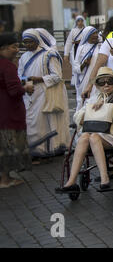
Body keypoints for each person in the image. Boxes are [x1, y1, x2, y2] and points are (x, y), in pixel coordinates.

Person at [56, 67, 113, 193]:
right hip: (94, 135)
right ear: (97, 85)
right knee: (84, 137)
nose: (106, 85)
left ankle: (105, 180)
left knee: (93, 137)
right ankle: (71, 181)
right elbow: (78, 116)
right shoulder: (94, 98)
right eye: (101, 82)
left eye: (109, 81)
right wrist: (88, 113)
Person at [18, 29, 70, 158]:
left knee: (49, 122)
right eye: (25, 42)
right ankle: (37, 150)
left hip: (47, 93)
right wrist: (25, 85)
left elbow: (57, 76)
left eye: (30, 41)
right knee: (32, 121)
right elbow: (20, 75)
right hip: (30, 94)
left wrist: (38, 79)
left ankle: (53, 148)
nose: (28, 45)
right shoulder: (24, 57)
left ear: (37, 41)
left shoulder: (49, 54)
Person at [0, 33, 34, 188]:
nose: (17, 50)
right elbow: (14, 91)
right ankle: (5, 180)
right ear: (3, 49)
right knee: (7, 147)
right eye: (13, 46)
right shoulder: (7, 66)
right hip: (8, 113)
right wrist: (26, 87)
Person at [73, 26, 101, 111]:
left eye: (96, 33)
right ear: (87, 35)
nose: (95, 35)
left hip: (97, 79)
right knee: (83, 100)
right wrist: (84, 64)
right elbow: (75, 66)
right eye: (93, 33)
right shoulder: (81, 48)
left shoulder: (100, 46)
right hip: (84, 80)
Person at [64, 15, 86, 86]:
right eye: (78, 21)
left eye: (81, 21)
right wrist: (66, 54)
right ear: (76, 22)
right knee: (75, 66)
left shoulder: (85, 30)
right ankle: (76, 84)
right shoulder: (73, 31)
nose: (80, 22)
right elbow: (68, 43)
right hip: (74, 50)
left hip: (83, 50)